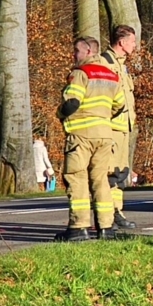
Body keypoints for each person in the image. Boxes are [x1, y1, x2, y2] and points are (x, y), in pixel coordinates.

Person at [55, 36, 124, 241]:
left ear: (87, 52)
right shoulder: (112, 75)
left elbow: (72, 103)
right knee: (101, 180)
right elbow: (119, 105)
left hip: (81, 135)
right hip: (105, 134)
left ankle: (79, 227)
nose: (73, 55)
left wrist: (59, 114)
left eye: (76, 50)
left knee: (77, 178)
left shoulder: (80, 73)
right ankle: (106, 227)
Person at [101, 25, 138, 229]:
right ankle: (109, 214)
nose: (134, 45)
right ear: (122, 42)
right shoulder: (106, 63)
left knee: (120, 172)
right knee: (109, 173)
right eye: (132, 41)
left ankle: (117, 211)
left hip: (123, 128)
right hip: (111, 128)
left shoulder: (122, 65)